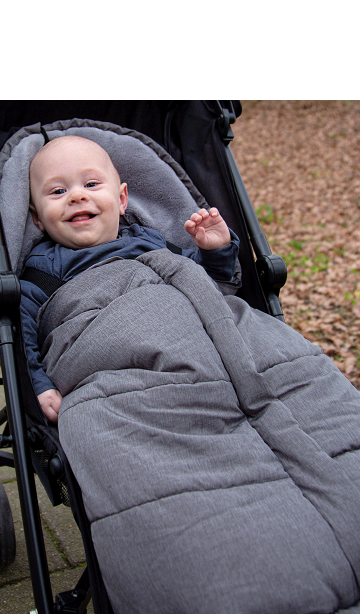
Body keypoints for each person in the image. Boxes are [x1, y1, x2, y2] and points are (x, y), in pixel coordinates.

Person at [20, 135, 240, 422]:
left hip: (192, 339)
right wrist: (38, 384)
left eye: (91, 184)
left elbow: (206, 284)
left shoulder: (148, 240)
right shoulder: (43, 270)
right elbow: (21, 335)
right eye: (58, 191)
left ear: (122, 199)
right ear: (37, 219)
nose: (76, 196)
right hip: (113, 366)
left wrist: (215, 251)